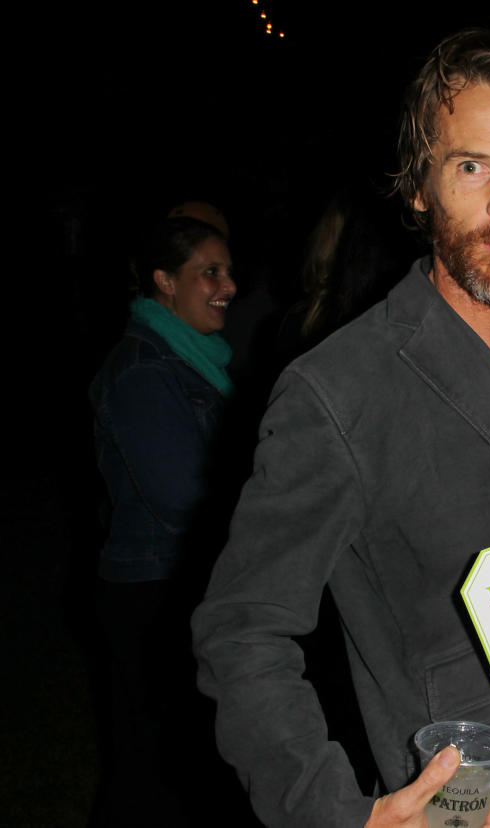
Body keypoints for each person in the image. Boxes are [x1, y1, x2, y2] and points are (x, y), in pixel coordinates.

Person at [191, 30, 490, 828]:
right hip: (472, 811)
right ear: (418, 187)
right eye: (469, 166)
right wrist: (335, 813)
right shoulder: (338, 392)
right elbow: (243, 632)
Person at [89, 216, 239, 825]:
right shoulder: (147, 371)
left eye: (227, 269)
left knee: (169, 763)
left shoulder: (194, 360)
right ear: (163, 282)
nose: (228, 284)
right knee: (156, 770)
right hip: (155, 594)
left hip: (176, 587)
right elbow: (183, 500)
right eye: (210, 272)